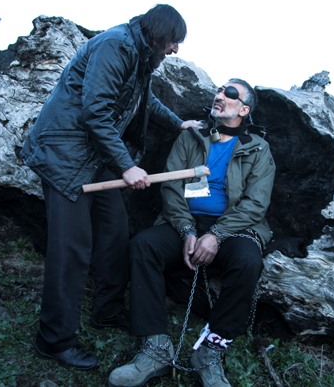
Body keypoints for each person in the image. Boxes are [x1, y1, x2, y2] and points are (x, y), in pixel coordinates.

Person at [21, 4, 203, 370]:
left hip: (91, 156)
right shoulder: (116, 45)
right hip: (65, 156)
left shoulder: (138, 54)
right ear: (159, 32)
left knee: (115, 231)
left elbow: (143, 100)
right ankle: (53, 340)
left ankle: (105, 311)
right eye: (173, 41)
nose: (175, 50)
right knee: (71, 250)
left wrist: (178, 124)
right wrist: (128, 166)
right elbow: (95, 111)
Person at [108, 79, 276, 387]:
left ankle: (210, 351)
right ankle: (155, 349)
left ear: (244, 109)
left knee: (249, 262)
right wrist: (187, 230)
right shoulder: (192, 138)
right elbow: (172, 187)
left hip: (234, 228)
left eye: (230, 93)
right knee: (144, 246)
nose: (220, 95)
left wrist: (216, 235)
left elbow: (256, 204)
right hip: (186, 222)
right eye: (219, 90)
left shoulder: (258, 149)